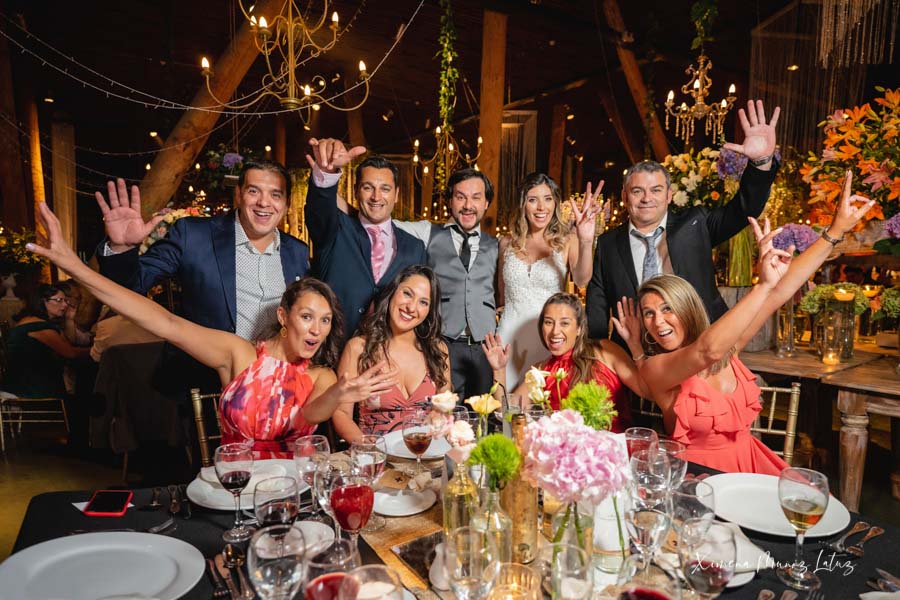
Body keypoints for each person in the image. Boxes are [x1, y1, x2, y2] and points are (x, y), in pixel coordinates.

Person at [29, 203, 398, 459]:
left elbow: (313, 413)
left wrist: (340, 392)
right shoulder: (238, 354)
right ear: (284, 317)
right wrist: (75, 267)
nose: (317, 329)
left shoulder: (321, 375)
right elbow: (163, 322)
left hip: (294, 490)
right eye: (307, 317)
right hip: (234, 488)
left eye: (325, 320)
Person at [611, 171, 875, 474]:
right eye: (648, 313)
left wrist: (834, 232)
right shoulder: (657, 368)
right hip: (699, 478)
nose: (659, 321)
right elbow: (705, 351)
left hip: (750, 464)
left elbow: (781, 292)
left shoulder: (729, 348)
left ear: (687, 309)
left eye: (667, 308)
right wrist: (762, 286)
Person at [96, 160, 311, 397]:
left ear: (287, 204)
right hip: (206, 389)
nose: (264, 202)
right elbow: (130, 286)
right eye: (253, 191)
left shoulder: (297, 252)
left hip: (276, 388)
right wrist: (121, 248)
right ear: (238, 194)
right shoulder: (193, 234)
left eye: (275, 195)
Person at [587, 100, 781, 344]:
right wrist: (598, 354)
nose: (647, 198)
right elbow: (597, 306)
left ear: (669, 195)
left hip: (701, 344)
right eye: (637, 191)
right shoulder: (607, 244)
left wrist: (761, 163)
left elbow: (745, 209)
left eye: (656, 190)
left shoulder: (696, 224)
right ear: (625, 197)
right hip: (634, 353)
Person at [388, 168, 498, 400]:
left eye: (476, 197)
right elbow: (384, 223)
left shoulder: (496, 244)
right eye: (460, 197)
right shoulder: (429, 232)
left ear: (486, 203)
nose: (468, 205)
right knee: (445, 410)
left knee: (486, 412)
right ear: (449, 200)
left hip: (485, 347)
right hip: (443, 343)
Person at [304, 138, 427, 340]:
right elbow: (319, 209)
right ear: (356, 191)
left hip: (387, 352)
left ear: (396, 194)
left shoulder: (415, 248)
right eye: (368, 187)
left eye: (385, 189)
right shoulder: (336, 229)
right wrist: (327, 172)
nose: (376, 197)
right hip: (332, 350)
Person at [496, 173, 603, 388]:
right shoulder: (506, 243)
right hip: (508, 336)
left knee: (545, 399)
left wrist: (585, 241)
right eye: (532, 200)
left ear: (555, 203)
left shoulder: (568, 241)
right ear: (523, 204)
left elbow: (582, 280)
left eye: (547, 199)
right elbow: (501, 293)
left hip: (548, 337)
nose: (541, 207)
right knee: (506, 400)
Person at [482, 292, 641, 433]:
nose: (555, 331)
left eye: (564, 323)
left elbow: (645, 389)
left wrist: (635, 344)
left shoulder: (605, 350)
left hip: (612, 447)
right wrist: (499, 370)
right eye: (548, 322)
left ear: (579, 328)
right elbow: (507, 414)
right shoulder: (541, 370)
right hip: (565, 451)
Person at [333, 265, 450, 443]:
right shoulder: (358, 348)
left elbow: (446, 404)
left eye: (423, 302)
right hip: (375, 454)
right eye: (407, 294)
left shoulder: (437, 350)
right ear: (392, 293)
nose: (411, 307)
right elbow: (341, 413)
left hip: (424, 452)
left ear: (429, 311)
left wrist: (440, 414)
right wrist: (367, 446)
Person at [1, 284, 90, 399]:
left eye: (65, 300)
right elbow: (70, 353)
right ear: (43, 301)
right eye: (59, 300)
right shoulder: (38, 326)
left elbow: (68, 343)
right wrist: (97, 350)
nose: (65, 305)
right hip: (27, 389)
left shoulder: (39, 322)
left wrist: (69, 319)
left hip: (29, 383)